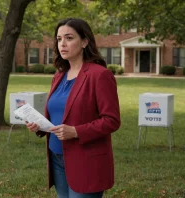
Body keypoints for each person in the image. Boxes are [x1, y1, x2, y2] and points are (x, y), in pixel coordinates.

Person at [26, 18, 121, 198]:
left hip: (86, 162)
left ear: (84, 41)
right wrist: (40, 126)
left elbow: (112, 120)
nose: (62, 43)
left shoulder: (100, 75)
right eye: (59, 39)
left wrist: (76, 131)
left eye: (69, 38)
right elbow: (58, 114)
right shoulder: (59, 76)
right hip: (57, 158)